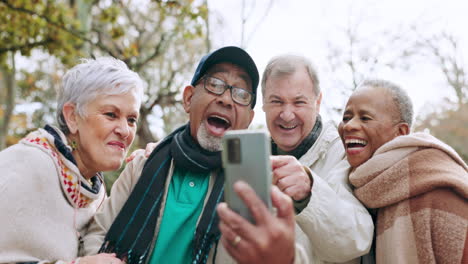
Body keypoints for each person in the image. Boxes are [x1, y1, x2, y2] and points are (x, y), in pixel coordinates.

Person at [82, 46, 309, 264]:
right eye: (215, 84)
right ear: (189, 98)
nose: (226, 99)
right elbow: (98, 233)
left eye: (241, 93)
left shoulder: (253, 188)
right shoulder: (143, 165)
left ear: (248, 120)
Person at [0, 57, 144, 264]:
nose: (125, 131)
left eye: (131, 119)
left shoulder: (96, 193)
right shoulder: (23, 165)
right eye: (111, 115)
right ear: (72, 117)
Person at [339, 79, 468, 263]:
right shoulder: (346, 191)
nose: (349, 126)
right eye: (346, 117)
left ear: (400, 132)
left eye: (365, 118)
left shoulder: (441, 192)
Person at [260, 54, 374, 263]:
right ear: (263, 104)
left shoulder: (344, 152)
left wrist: (309, 193)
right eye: (276, 101)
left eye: (298, 102)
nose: (287, 114)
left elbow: (357, 239)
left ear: (318, 102)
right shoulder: (252, 159)